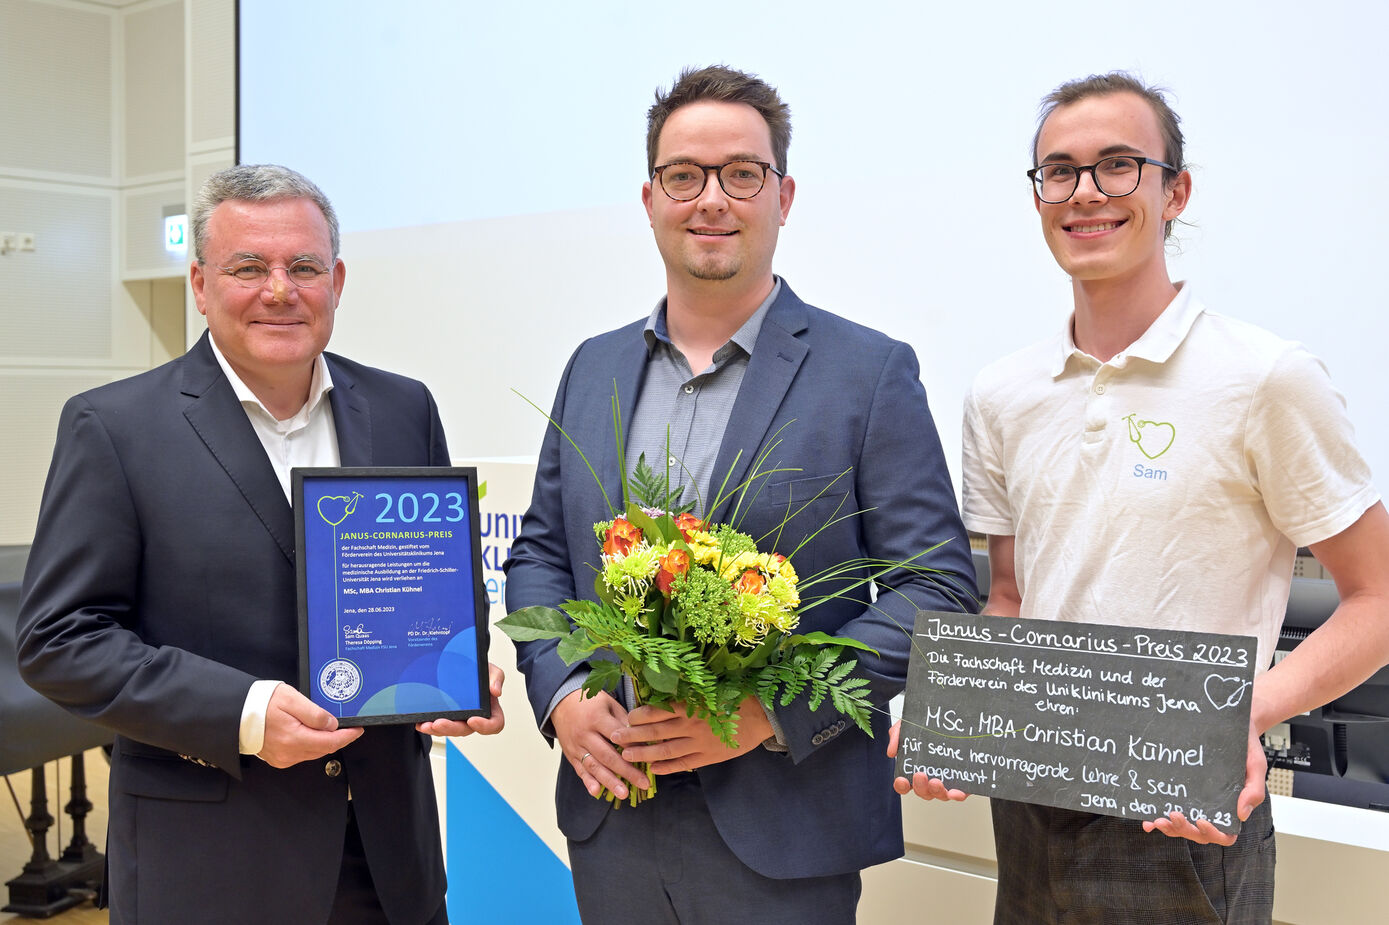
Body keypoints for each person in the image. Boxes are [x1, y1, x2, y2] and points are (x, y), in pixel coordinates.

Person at [891, 72, 1389, 924]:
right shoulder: (1002, 392)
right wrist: (958, 722)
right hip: (1030, 799)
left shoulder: (1265, 376)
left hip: (1184, 812)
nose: (1085, 192)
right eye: (1060, 170)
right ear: (1039, 196)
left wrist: (1245, 713)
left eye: (1117, 165)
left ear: (1175, 190)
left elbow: (1377, 599)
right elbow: (1010, 597)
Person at [504, 65, 976, 923]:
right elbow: (540, 549)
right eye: (683, 176)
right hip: (615, 817)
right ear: (648, 198)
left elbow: (937, 588)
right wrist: (563, 696)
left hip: (786, 828)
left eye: (740, 174)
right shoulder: (593, 367)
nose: (710, 199)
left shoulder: (866, 373)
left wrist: (769, 710)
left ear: (782, 194)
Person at [17, 164, 505, 925]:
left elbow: (443, 592)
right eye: (249, 267)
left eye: (303, 266)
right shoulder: (115, 428)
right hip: (211, 861)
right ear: (200, 283)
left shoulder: (404, 406)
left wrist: (452, 674)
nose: (280, 289)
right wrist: (243, 711)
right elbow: (58, 639)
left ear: (336, 280)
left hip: (388, 859)